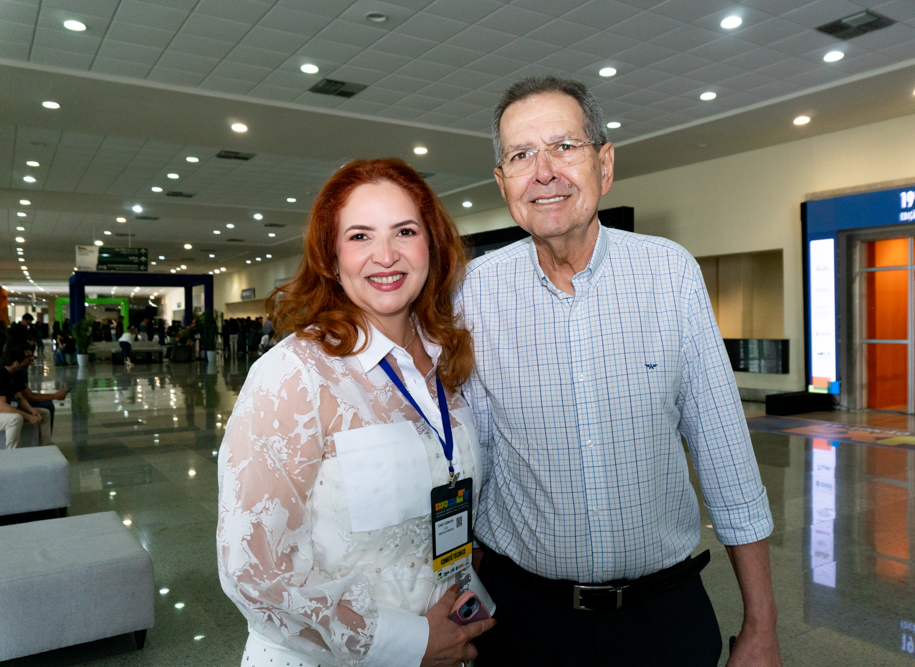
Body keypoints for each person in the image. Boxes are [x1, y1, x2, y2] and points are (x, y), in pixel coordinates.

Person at [456, 77, 780, 667]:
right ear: (503, 183)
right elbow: (469, 463)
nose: (544, 171)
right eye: (521, 155)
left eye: (564, 146)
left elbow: (725, 453)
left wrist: (762, 624)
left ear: (604, 165)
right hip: (525, 622)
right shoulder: (474, 294)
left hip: (663, 617)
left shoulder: (668, 273)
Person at [217, 158, 496, 667]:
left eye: (404, 232)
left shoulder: (447, 363)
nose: (385, 256)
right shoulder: (295, 376)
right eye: (360, 236)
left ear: (431, 245)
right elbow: (253, 571)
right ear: (331, 256)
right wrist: (409, 644)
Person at [0, 345, 50, 448]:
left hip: (6, 409)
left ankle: (45, 447)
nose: (24, 364)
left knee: (44, 413)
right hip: (2, 410)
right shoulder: (1, 375)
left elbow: (19, 398)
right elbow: (2, 406)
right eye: (22, 362)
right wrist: (28, 416)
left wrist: (31, 410)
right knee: (15, 419)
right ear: (16, 363)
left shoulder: (11, 375)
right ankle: (12, 454)